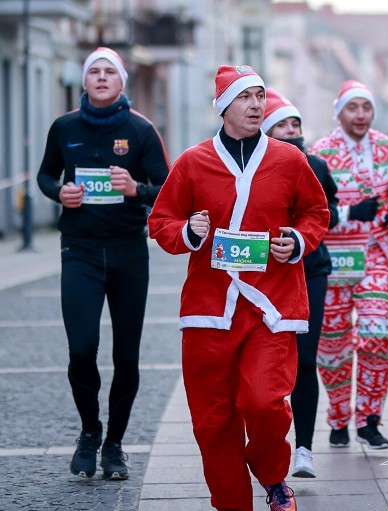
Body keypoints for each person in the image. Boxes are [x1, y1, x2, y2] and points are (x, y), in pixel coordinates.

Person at [148, 65, 330, 511]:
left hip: (271, 304)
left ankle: (271, 473)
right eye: (244, 97)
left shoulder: (289, 159)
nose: (255, 105)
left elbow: (315, 211)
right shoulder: (194, 161)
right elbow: (160, 222)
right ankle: (232, 502)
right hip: (210, 309)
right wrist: (189, 230)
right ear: (224, 106)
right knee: (213, 422)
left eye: (259, 96)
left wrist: (298, 240)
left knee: (264, 403)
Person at [35, 46, 170, 480]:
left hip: (129, 250)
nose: (101, 76)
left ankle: (114, 445)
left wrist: (136, 189)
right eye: (94, 70)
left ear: (121, 81)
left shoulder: (141, 130)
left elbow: (166, 188)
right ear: (84, 80)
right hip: (81, 252)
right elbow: (44, 175)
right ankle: (90, 431)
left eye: (109, 70)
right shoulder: (64, 127)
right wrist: (60, 193)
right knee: (81, 349)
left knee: (127, 357)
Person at [309, 80, 388, 450]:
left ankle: (369, 418)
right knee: (332, 346)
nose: (361, 115)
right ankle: (338, 418)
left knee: (376, 335)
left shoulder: (386, 147)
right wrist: (350, 213)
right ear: (340, 112)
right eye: (353, 108)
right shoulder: (321, 152)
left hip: (375, 256)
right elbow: (316, 210)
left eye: (366, 107)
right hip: (335, 260)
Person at [261, 88, 339, 478]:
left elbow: (331, 215)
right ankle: (268, 444)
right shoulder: (252, 167)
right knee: (272, 366)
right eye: (282, 125)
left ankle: (304, 449)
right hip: (265, 277)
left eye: (296, 124)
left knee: (306, 360)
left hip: (311, 271)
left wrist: (300, 230)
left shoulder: (317, 166)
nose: (292, 131)